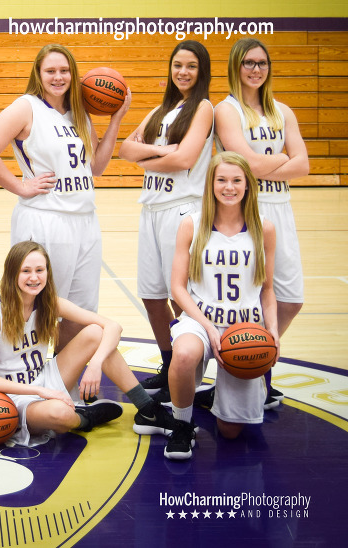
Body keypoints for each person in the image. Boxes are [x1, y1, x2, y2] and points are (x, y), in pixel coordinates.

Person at [0, 44, 130, 358]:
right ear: (39, 74)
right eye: (51, 71)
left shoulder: (79, 112)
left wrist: (116, 120)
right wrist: (19, 186)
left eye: (64, 71)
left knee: (80, 310)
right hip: (45, 218)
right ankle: (21, 372)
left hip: (85, 220)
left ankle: (62, 379)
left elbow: (97, 166)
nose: (58, 77)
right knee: (36, 305)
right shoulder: (26, 107)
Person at [0, 241, 177, 447]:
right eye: (26, 271)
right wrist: (40, 392)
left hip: (43, 378)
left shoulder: (48, 302)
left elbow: (113, 327)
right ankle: (85, 418)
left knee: (95, 332)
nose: (34, 277)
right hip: (11, 396)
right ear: (12, 273)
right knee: (60, 414)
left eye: (39, 270)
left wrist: (95, 364)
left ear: (47, 273)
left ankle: (148, 409)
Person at [165, 152, 279, 460]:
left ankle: (220, 395)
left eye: (236, 180)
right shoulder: (192, 224)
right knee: (184, 354)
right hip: (201, 319)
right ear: (211, 183)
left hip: (245, 328)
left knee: (230, 431)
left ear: (248, 184)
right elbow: (178, 288)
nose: (229, 187)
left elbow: (268, 289)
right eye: (222, 180)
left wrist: (273, 331)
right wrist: (208, 327)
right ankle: (181, 425)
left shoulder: (264, 228)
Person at [215, 38, 309, 408]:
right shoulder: (227, 110)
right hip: (246, 209)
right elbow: (248, 166)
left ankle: (258, 356)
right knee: (253, 295)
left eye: (262, 63)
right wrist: (283, 157)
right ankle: (252, 374)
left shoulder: (282, 111)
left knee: (292, 298)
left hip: (281, 207)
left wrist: (267, 164)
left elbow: (304, 165)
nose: (256, 69)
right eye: (249, 63)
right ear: (236, 67)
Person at [118, 40, 214, 399]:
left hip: (183, 209)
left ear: (202, 71)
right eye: (178, 65)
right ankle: (169, 361)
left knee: (180, 296)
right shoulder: (162, 109)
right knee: (151, 295)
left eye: (191, 66)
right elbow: (125, 149)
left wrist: (146, 158)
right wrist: (160, 150)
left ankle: (188, 371)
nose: (183, 72)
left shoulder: (203, 108)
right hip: (152, 210)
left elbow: (185, 159)